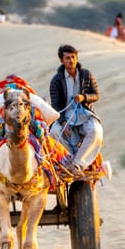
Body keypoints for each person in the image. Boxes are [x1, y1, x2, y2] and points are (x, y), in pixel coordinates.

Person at [49, 44, 103, 176]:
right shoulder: (56, 81)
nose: (71, 61)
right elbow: (55, 105)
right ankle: (68, 161)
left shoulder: (86, 74)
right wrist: (62, 122)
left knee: (96, 131)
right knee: (55, 132)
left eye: (73, 57)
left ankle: (77, 164)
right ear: (62, 60)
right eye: (67, 58)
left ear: (77, 58)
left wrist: (83, 97)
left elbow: (96, 95)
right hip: (66, 116)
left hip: (85, 114)